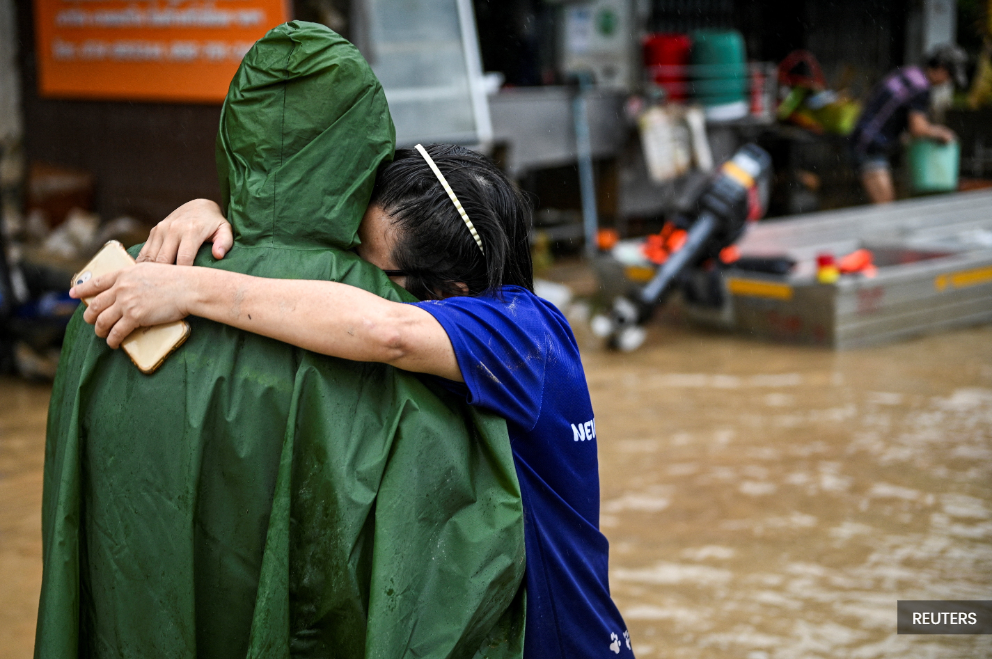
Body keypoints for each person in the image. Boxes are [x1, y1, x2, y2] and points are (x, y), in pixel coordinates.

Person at [39, 22, 526, 659]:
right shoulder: (405, 314)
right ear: (366, 148)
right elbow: (451, 572)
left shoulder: (120, 290)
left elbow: (71, 526)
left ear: (231, 133)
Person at [73, 142, 637, 658]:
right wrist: (211, 219)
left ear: (450, 292)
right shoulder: (473, 333)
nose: (344, 276)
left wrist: (188, 289)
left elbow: (384, 329)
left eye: (363, 267)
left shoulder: (525, 334)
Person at [850, 44, 967, 204]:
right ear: (941, 68)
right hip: (870, 145)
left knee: (882, 204)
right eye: (950, 76)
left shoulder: (909, 73)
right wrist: (941, 133)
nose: (947, 82)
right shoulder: (920, 88)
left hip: (863, 136)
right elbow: (918, 128)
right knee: (884, 205)